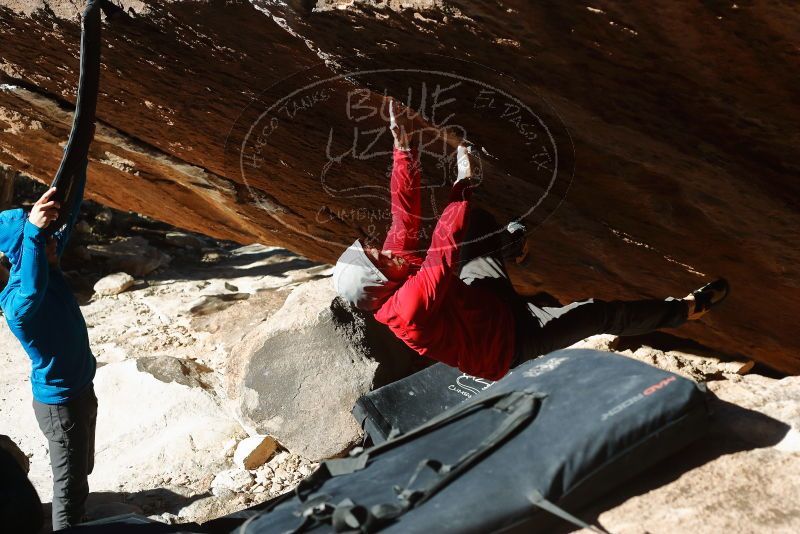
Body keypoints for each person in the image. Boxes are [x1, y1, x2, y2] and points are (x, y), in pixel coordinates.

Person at [332, 100, 729, 380]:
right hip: (512, 343)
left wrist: (403, 147)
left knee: (477, 226)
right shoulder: (407, 310)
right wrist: (462, 184)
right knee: (596, 314)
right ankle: (685, 310)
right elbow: (441, 253)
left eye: (373, 248)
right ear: (380, 281)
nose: (383, 249)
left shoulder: (393, 269)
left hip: (479, 300)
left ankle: (508, 248)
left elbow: (405, 216)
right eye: (377, 257)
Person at [0, 159, 97, 530]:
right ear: (23, 251)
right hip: (60, 406)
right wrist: (35, 235)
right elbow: (32, 283)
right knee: (68, 490)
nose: (54, 239)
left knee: (82, 469)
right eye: (42, 238)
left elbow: (66, 218)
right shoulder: (18, 303)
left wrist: (80, 165)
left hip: (82, 391)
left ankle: (82, 519)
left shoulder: (48, 265)